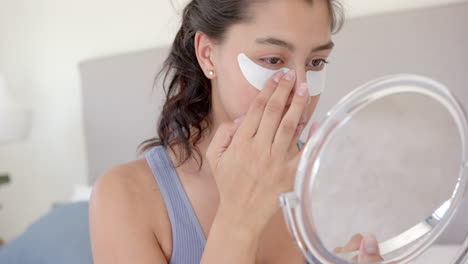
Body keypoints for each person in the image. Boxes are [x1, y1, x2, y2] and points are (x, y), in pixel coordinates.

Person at [89, 0, 384, 263]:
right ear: (207, 55)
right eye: (272, 60)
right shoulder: (125, 196)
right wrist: (239, 217)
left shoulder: (333, 182)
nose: (301, 92)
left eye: (315, 62)